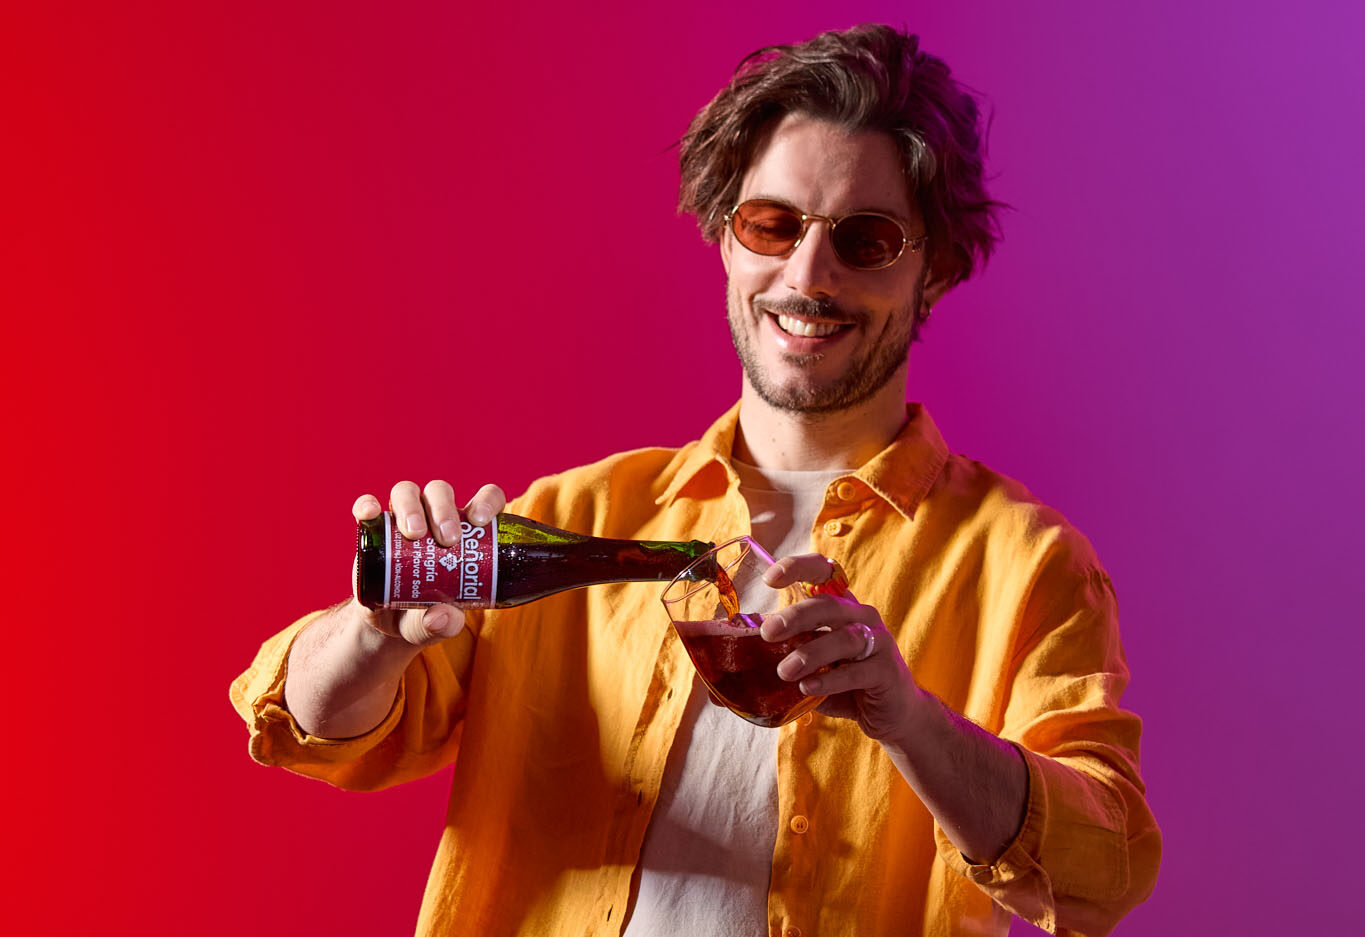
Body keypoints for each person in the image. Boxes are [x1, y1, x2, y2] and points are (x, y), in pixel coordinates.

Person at [231, 24, 1160, 937]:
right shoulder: (575, 513)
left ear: (936, 271)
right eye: (773, 223)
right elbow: (315, 729)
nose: (807, 273)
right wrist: (375, 627)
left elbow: (1099, 874)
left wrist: (911, 721)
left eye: (866, 239)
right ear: (725, 236)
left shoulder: (1025, 564)